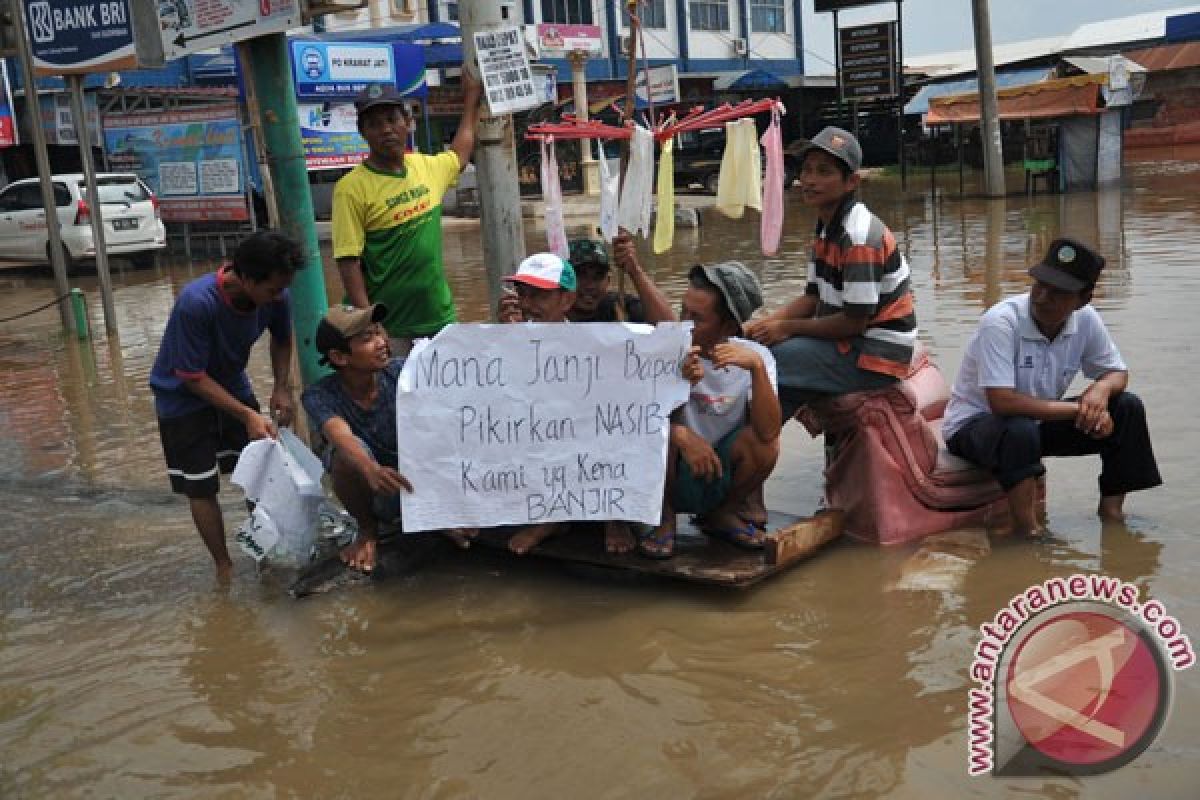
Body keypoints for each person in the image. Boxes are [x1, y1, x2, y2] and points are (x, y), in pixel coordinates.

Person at [941, 238, 1162, 536]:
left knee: (1127, 408)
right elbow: (1002, 402)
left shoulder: (1085, 320)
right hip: (975, 430)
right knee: (1019, 428)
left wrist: (1101, 390)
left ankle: (1111, 514)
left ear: (1083, 299)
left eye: (1058, 292)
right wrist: (1080, 411)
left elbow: (1117, 372)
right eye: (1040, 285)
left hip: (1035, 425)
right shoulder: (1001, 322)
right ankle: (1028, 531)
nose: (1043, 297)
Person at [495, 252, 698, 556]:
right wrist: (505, 338)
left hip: (585, 442)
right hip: (540, 442)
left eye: (538, 295)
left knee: (610, 423)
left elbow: (667, 341)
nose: (527, 304)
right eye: (522, 294)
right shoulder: (503, 339)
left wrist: (682, 372)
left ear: (567, 300)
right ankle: (549, 517)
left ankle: (611, 516)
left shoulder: (596, 344)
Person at [149, 230, 304, 578]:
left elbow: (281, 338)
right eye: (271, 289)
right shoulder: (196, 302)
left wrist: (282, 387)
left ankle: (267, 554)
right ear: (246, 278)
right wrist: (247, 413)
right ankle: (224, 566)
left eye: (282, 288)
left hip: (232, 385)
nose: (278, 296)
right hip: (181, 399)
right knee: (201, 486)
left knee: (259, 472)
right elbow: (190, 376)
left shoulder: (278, 297)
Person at [743, 126, 917, 421]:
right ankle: (749, 452)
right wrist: (762, 325)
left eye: (824, 172)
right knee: (762, 374)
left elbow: (853, 322)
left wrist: (787, 328)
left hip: (873, 356)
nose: (809, 181)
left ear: (851, 182)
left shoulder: (859, 236)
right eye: (807, 170)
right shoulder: (827, 226)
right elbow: (812, 298)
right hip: (849, 344)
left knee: (766, 360)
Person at [301, 304, 471, 573]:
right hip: (380, 490)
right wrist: (371, 470)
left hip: (423, 483)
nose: (382, 343)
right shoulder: (320, 395)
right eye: (367, 339)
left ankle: (438, 516)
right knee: (343, 457)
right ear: (339, 357)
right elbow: (338, 432)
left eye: (379, 333)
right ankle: (368, 531)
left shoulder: (406, 371)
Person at [637, 262, 782, 558]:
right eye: (684, 312)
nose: (685, 323)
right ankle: (664, 518)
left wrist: (755, 368)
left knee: (765, 446)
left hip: (719, 468)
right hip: (672, 467)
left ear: (728, 326)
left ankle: (721, 513)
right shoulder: (663, 350)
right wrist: (680, 414)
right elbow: (631, 424)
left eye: (697, 318)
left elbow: (768, 431)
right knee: (662, 437)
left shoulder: (757, 357)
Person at [332, 75, 483, 356]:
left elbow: (460, 155)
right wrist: (371, 324)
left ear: (407, 123)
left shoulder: (426, 167)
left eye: (392, 120)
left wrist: (471, 100)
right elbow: (348, 262)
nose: (386, 130)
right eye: (374, 124)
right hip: (391, 328)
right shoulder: (350, 189)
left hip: (439, 317)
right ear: (362, 133)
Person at [496, 234, 673, 324]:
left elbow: (671, 330)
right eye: (580, 276)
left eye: (597, 277)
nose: (589, 286)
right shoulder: (530, 319)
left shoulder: (620, 307)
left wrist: (635, 271)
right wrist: (511, 336)